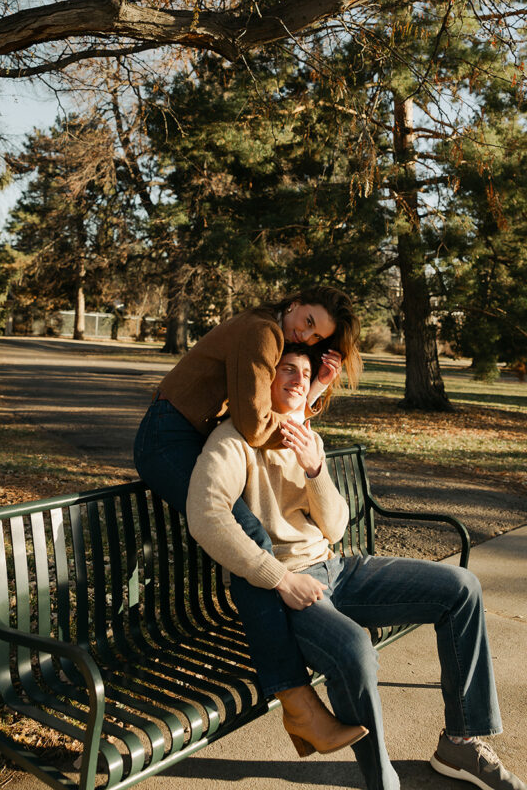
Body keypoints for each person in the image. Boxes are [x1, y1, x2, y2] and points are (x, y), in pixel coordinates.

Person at [186, 345, 527, 790]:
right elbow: (205, 515)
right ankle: (379, 779)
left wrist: (316, 470)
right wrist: (279, 577)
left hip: (338, 569)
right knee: (354, 649)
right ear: (263, 380)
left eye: (305, 373)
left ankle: (461, 742)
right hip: (289, 588)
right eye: (286, 369)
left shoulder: (306, 436)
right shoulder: (233, 440)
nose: (296, 379)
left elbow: (333, 527)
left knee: (461, 587)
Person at [134, 286, 367, 755]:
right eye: (306, 320)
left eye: (315, 334)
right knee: (248, 536)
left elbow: (273, 414)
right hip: (168, 438)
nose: (304, 332)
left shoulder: (270, 330)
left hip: (183, 433)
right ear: (295, 303)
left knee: (250, 537)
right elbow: (255, 425)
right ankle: (297, 704)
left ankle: (299, 705)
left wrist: (314, 387)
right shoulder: (263, 332)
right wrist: (281, 579)